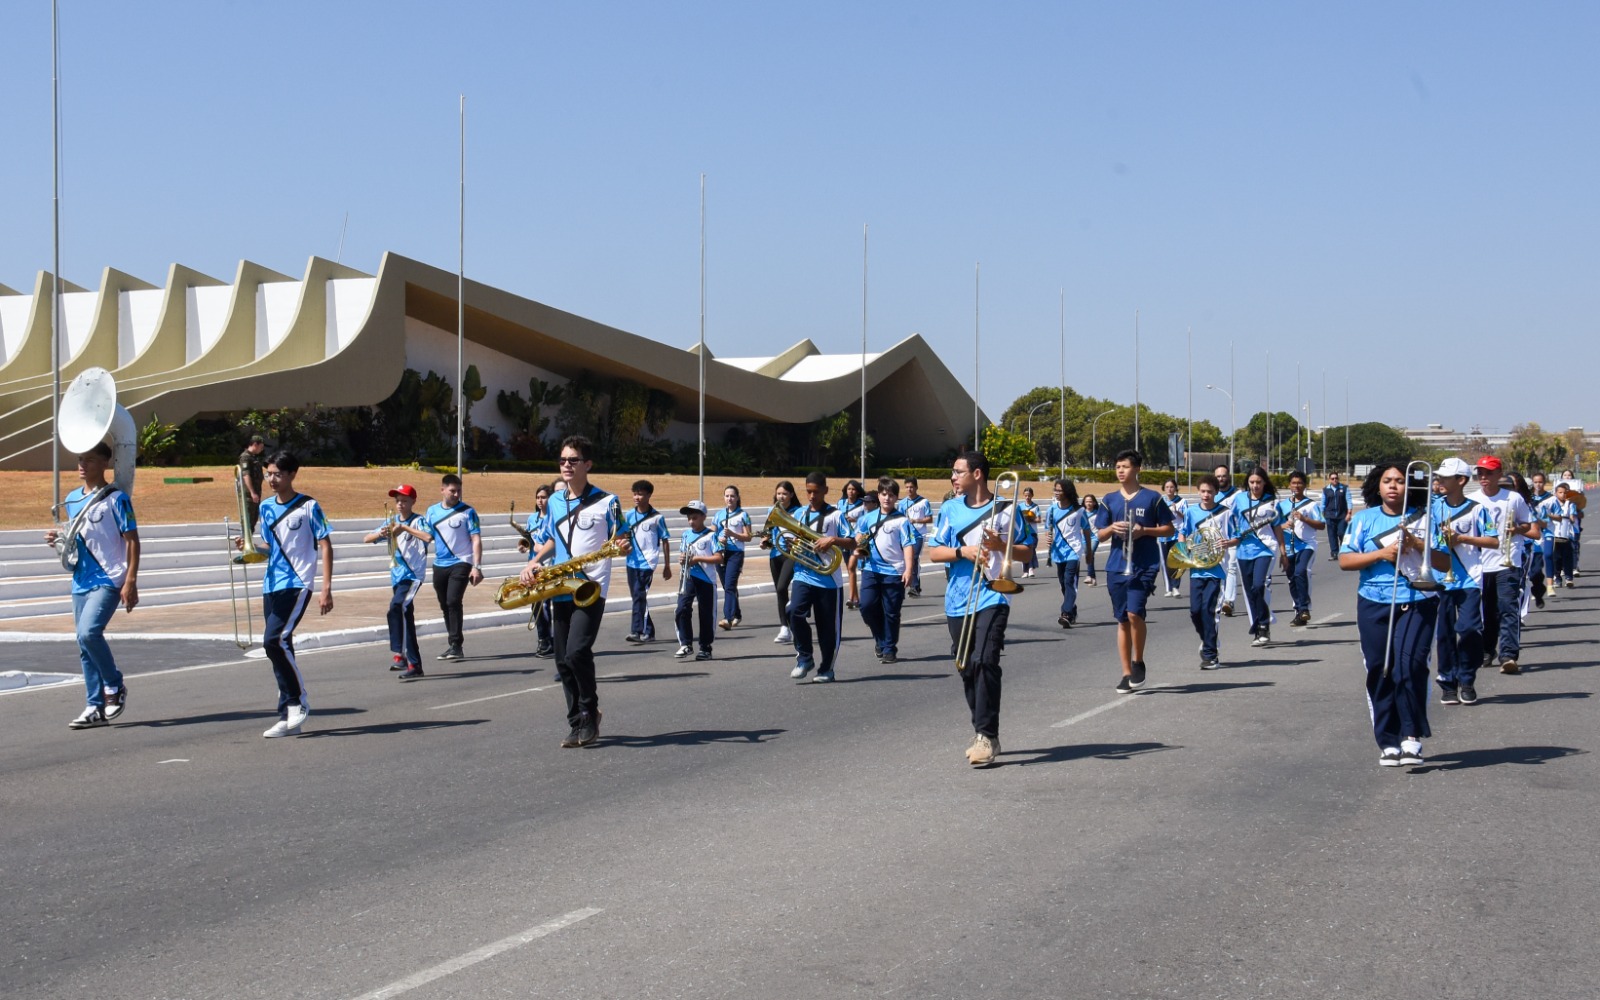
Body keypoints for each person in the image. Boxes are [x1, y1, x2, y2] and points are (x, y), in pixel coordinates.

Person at [519, 435, 629, 748]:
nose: (566, 465)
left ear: (588, 464)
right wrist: (535, 562)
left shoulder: (608, 501)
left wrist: (621, 546)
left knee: (577, 651)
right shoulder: (555, 501)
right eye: (563, 460)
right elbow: (553, 538)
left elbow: (621, 538)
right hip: (560, 584)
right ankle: (576, 722)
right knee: (561, 660)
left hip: (591, 586)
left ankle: (589, 710)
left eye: (573, 460)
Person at [929, 450, 1036, 767]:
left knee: (984, 659)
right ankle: (984, 731)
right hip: (958, 598)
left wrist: (999, 546)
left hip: (993, 593)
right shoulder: (949, 508)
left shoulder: (1006, 508)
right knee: (965, 664)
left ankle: (986, 735)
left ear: (977, 474)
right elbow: (935, 553)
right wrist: (965, 550)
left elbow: (1027, 552)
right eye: (953, 472)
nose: (953, 477)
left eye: (958, 471)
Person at [1339, 462, 1450, 767]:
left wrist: (1416, 543)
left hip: (1418, 599)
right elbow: (1346, 561)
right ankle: (1387, 740)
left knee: (1409, 666)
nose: (1393, 486)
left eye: (1400, 481)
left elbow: (1443, 563)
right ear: (1377, 485)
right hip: (1374, 601)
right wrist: (1381, 554)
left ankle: (1410, 736)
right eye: (1387, 480)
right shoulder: (1364, 520)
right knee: (1380, 668)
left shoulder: (1425, 519)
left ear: (1409, 486)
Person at [48, 441, 140, 729]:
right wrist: (56, 540)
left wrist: (131, 580)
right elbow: (75, 539)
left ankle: (114, 683)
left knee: (89, 633)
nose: (82, 465)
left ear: (105, 463)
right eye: (80, 459)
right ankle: (94, 706)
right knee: (83, 644)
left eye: (89, 459)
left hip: (110, 578)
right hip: (81, 580)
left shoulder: (117, 499)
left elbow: (133, 541)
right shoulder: (73, 498)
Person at [248, 450, 333, 738]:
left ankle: (298, 700)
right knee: (281, 648)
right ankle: (287, 714)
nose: (272, 479)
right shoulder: (266, 508)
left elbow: (325, 544)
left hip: (297, 583)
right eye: (268, 473)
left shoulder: (309, 506)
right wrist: (248, 546)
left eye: (278, 474)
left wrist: (325, 587)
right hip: (271, 585)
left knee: (273, 640)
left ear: (292, 474)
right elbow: (271, 549)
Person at [1097, 450, 1175, 691]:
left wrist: (1144, 530)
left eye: (1125, 466)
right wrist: (1112, 528)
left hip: (1144, 564)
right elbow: (1099, 535)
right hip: (1117, 566)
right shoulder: (1109, 500)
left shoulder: (1153, 498)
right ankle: (1125, 672)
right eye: (1117, 466)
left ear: (1137, 469)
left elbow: (1169, 529)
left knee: (1134, 614)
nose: (1120, 470)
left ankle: (1138, 660)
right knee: (1122, 619)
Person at [1429, 458, 1496, 706]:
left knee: (1468, 630)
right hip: (1440, 579)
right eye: (1439, 477)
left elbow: (1493, 541)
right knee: (1444, 634)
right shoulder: (1434, 508)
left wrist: (1462, 538)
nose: (1440, 482)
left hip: (1470, 578)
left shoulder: (1477, 509)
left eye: (1445, 478)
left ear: (1461, 480)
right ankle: (1448, 682)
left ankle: (1467, 678)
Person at [1469, 456, 1538, 675]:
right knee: (1487, 611)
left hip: (1508, 560)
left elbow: (1531, 527)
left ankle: (1508, 655)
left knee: (1508, 608)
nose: (1483, 477)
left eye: (1488, 473)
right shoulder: (1471, 500)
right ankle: (1487, 650)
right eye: (1480, 473)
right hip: (1481, 563)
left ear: (1499, 475)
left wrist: (1517, 530)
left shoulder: (1513, 498)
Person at [786, 471, 856, 683]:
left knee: (827, 629)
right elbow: (790, 538)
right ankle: (805, 657)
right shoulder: (799, 514)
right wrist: (791, 544)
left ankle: (827, 669)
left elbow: (853, 542)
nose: (811, 496)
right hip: (803, 574)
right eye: (808, 492)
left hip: (828, 580)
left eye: (816, 492)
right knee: (793, 611)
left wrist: (832, 540)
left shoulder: (836, 515)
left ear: (825, 491)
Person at [364, 484, 432, 681]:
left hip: (412, 576)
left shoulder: (418, 521)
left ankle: (399, 654)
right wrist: (382, 534)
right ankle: (415, 664)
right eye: (398, 501)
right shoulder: (391, 521)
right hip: (396, 575)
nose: (400, 504)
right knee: (405, 617)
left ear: (413, 502)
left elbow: (428, 537)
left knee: (396, 606)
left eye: (404, 501)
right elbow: (366, 538)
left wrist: (405, 528)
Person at [854, 477, 917, 663]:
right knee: (866, 606)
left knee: (891, 612)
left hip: (894, 571)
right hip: (871, 570)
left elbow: (908, 545)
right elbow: (858, 535)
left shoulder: (902, 521)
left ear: (896, 497)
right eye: (883, 494)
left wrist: (909, 570)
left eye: (891, 495)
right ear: (878, 496)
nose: (887, 498)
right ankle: (880, 639)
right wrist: (859, 544)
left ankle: (889, 648)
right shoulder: (867, 518)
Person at [1178, 475, 1236, 669]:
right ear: (1198, 491)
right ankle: (1207, 640)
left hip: (1216, 571)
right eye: (1203, 491)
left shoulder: (1225, 513)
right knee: (1195, 612)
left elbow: (1236, 536)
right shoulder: (1191, 512)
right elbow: (1183, 533)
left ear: (1216, 493)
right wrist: (1181, 551)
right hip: (1196, 569)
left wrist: (1228, 542)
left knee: (1208, 611)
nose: (1206, 495)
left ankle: (1211, 655)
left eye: (1210, 492)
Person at [424, 473, 482, 661]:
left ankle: (456, 644)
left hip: (461, 561)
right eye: (452, 491)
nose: (456, 494)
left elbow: (476, 539)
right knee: (444, 603)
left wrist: (476, 566)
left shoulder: (468, 512)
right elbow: (427, 536)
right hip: (440, 564)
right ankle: (452, 643)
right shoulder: (432, 511)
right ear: (442, 490)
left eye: (459, 491)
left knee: (453, 601)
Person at [1230, 467, 1284, 648]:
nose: (1255, 486)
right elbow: (1231, 520)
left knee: (1258, 585)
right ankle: (1259, 625)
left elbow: (1277, 528)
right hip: (1243, 550)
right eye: (1252, 482)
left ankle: (1263, 626)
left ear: (1264, 483)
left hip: (1266, 549)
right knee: (1250, 591)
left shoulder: (1271, 502)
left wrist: (1283, 553)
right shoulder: (1239, 499)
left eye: (1258, 482)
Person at [622, 480, 671, 645]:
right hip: (631, 562)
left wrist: (667, 566)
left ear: (649, 495)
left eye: (640, 493)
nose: (636, 497)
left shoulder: (657, 518)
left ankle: (636, 631)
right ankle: (649, 631)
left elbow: (665, 541)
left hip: (648, 562)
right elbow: (623, 536)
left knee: (638, 595)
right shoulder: (628, 515)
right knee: (638, 597)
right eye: (635, 493)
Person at [673, 500, 723, 660]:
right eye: (689, 518)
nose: (691, 521)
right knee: (682, 609)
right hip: (688, 577)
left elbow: (719, 557)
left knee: (706, 613)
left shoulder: (711, 536)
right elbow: (684, 553)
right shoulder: (686, 534)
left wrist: (698, 558)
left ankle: (705, 647)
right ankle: (686, 644)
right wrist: (682, 559)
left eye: (694, 518)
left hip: (706, 579)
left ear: (703, 517)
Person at [1278, 470, 1326, 627]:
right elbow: (1275, 526)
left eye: (1299, 483)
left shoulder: (1311, 505)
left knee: (1300, 572)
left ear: (1304, 485)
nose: (1296, 486)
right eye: (1293, 483)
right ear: (1289, 485)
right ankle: (1299, 611)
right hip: (1289, 546)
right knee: (1292, 578)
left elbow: (1321, 524)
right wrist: (1283, 525)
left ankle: (1304, 608)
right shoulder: (1283, 505)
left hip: (1306, 545)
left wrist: (1304, 518)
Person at [1042, 479, 1087, 628]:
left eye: (1059, 490)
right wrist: (1048, 537)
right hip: (1058, 552)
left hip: (1073, 551)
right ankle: (1072, 609)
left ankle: (1065, 613)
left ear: (1067, 491)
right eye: (1055, 490)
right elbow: (1047, 528)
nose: (1056, 493)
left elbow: (1086, 529)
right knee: (1063, 584)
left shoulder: (1079, 510)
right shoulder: (1052, 509)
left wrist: (1089, 551)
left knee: (1069, 581)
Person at [763, 480, 801, 643]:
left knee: (782, 586)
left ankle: (794, 619)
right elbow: (769, 532)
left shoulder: (799, 511)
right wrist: (765, 541)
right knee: (780, 592)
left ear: (791, 494)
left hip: (793, 554)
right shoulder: (772, 510)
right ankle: (785, 628)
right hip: (775, 554)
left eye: (785, 493)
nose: (781, 496)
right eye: (779, 493)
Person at [522, 483, 557, 657]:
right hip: (533, 566)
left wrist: (540, 548)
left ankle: (548, 640)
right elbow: (529, 541)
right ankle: (544, 639)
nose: (540, 501)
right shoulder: (532, 519)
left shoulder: (553, 518)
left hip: (550, 565)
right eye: (538, 497)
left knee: (545, 605)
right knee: (536, 605)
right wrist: (524, 546)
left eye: (543, 497)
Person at [714, 485, 752, 629]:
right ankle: (737, 614)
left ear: (737, 497)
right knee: (727, 586)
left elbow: (748, 537)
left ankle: (727, 618)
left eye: (732, 496)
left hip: (736, 553)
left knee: (730, 585)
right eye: (727, 496)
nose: (729, 498)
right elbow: (712, 533)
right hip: (721, 552)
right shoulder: (718, 515)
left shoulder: (743, 515)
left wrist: (732, 534)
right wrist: (719, 540)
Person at [1213, 465, 1243, 616]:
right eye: (1218, 476)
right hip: (1217, 538)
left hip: (1234, 537)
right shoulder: (1213, 495)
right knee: (1220, 570)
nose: (1220, 479)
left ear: (1228, 477)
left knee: (1231, 567)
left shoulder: (1238, 495)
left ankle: (1229, 601)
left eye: (1223, 476)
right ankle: (1221, 599)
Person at [897, 477, 933, 597]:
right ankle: (909, 583)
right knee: (906, 559)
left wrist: (916, 520)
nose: (909, 489)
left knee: (914, 558)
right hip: (906, 535)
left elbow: (930, 518)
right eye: (907, 487)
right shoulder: (902, 503)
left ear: (916, 487)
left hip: (919, 535)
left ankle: (914, 586)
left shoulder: (924, 502)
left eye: (911, 487)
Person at [839, 479, 868, 609]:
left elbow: (867, 519)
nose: (851, 492)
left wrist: (855, 519)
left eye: (853, 489)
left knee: (854, 567)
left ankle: (855, 597)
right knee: (850, 568)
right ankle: (854, 598)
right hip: (845, 539)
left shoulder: (862, 504)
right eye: (849, 489)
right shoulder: (841, 503)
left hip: (857, 539)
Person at [1527, 473, 1555, 608]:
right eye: (1535, 482)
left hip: (1541, 536)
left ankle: (1540, 592)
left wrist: (1535, 520)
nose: (1538, 484)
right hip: (1526, 537)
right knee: (1528, 573)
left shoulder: (1549, 499)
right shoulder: (1526, 499)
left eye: (1540, 482)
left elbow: (1545, 523)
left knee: (1537, 570)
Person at [1157, 478, 1188, 597]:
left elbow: (1186, 516)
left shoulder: (1182, 501)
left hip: (1177, 535)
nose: (1169, 489)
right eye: (1167, 487)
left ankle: (1176, 587)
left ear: (1175, 488)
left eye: (1171, 487)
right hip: (1163, 536)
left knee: (1176, 561)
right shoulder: (1160, 501)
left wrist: (1177, 510)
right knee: (1165, 562)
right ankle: (1168, 588)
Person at [1548, 481, 1580, 588]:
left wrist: (1571, 517)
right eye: (1560, 492)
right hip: (1555, 535)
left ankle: (1569, 578)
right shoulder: (1551, 503)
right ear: (1556, 493)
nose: (1563, 495)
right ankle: (1557, 578)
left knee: (1567, 557)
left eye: (1565, 493)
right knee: (1556, 558)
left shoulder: (1570, 505)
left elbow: (1572, 517)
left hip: (1567, 535)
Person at [237, 434, 266, 539]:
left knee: (253, 520)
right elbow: (246, 475)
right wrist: (252, 492)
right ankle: (245, 542)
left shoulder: (253, 458)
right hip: (248, 495)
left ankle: (248, 541)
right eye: (261, 447)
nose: (262, 449)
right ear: (255, 444)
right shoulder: (245, 457)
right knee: (248, 520)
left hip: (255, 494)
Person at [1321, 470, 1351, 556]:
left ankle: (1344, 549)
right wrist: (1321, 516)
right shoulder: (1326, 490)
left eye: (1336, 478)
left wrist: (1349, 513)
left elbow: (1349, 501)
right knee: (1332, 535)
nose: (1335, 480)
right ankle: (1334, 553)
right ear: (1329, 479)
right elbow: (1323, 504)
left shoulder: (1344, 488)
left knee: (1342, 533)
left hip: (1342, 516)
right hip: (1329, 516)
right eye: (1332, 478)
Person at [1082, 493, 1107, 585]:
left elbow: (1103, 524)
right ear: (1084, 503)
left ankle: (1089, 575)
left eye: (1090, 501)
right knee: (1089, 556)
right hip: (1084, 538)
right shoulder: (1081, 513)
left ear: (1094, 503)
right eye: (1086, 501)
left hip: (1095, 537)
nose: (1088, 503)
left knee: (1090, 553)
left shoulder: (1098, 513)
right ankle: (1093, 578)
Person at [1017, 487, 1041, 577]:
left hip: (1032, 532)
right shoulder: (1020, 506)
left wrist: (1030, 519)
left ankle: (1030, 568)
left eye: (1029, 495)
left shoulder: (1035, 507)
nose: (1027, 497)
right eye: (1026, 495)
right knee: (1024, 551)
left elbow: (1039, 520)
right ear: (1024, 496)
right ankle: (1025, 571)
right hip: (1024, 533)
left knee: (1031, 549)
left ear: (1032, 496)